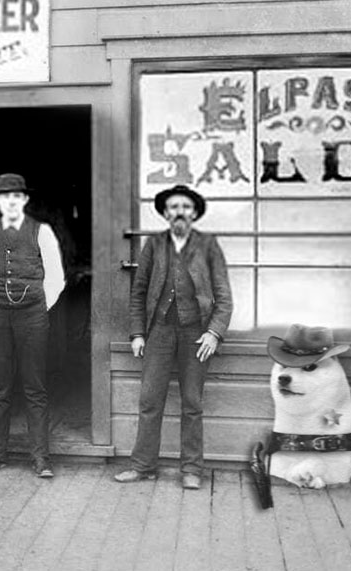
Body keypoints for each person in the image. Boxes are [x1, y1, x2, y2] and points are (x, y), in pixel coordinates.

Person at [114, 184, 233, 490]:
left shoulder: (208, 245)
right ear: (166, 213)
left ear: (194, 213)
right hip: (160, 332)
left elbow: (224, 296)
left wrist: (214, 333)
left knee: (192, 402)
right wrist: (138, 333)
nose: (180, 212)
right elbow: (139, 291)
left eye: (185, 207)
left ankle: (192, 469)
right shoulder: (154, 245)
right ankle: (142, 465)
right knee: (149, 400)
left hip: (197, 334)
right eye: (174, 207)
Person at [0, 173, 65, 478]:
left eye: (16, 196)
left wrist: (36, 307)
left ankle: (40, 458)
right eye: (4, 196)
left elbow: (56, 278)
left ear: (24, 200)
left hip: (33, 316)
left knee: (35, 386)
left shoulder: (42, 232)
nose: (10, 201)